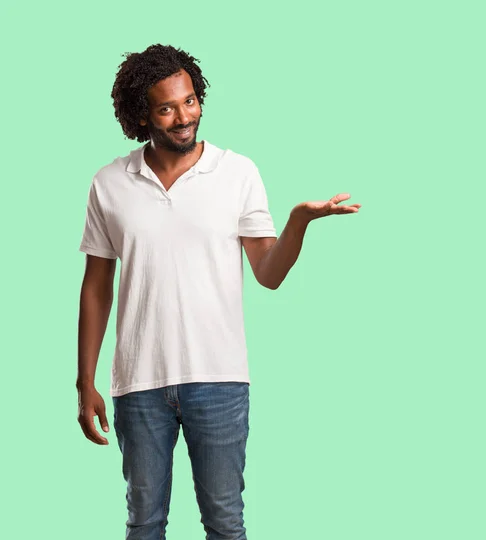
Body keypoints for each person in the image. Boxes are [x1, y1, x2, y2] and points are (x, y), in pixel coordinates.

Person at [76, 43, 361, 540]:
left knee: (226, 525)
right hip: (138, 384)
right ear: (142, 115)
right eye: (166, 107)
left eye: (190, 101)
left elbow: (268, 273)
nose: (184, 116)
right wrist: (85, 380)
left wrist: (297, 223)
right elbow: (97, 285)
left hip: (220, 380)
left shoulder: (238, 173)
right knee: (143, 525)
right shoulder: (109, 183)